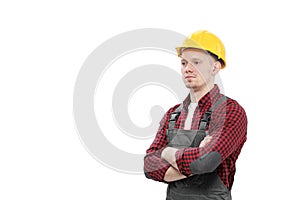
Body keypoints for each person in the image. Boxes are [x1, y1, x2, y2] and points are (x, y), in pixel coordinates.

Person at [143, 30, 247, 200]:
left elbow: (205, 162)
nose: (188, 69)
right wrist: (196, 154)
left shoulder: (231, 112)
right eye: (184, 63)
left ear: (215, 67)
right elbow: (149, 166)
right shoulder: (172, 114)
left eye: (196, 62)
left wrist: (168, 153)